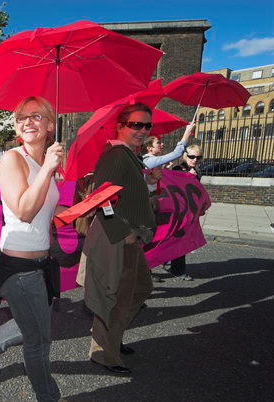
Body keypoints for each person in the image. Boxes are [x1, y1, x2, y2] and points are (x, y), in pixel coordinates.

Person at [0, 96, 64, 402]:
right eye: (21, 117)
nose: (27, 122)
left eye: (36, 116)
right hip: (18, 268)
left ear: (50, 124)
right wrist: (49, 169)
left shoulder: (44, 164)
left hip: (43, 263)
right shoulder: (13, 159)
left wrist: (83, 208)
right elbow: (24, 210)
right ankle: (49, 396)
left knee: (36, 323)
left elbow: (44, 215)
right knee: (38, 339)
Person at [79, 102, 161, 374]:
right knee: (118, 296)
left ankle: (108, 339)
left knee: (139, 289)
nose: (143, 130)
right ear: (121, 126)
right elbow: (100, 199)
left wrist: (149, 183)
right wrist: (121, 232)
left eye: (147, 125)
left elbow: (126, 195)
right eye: (136, 124)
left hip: (130, 236)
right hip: (118, 237)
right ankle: (105, 352)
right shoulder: (116, 155)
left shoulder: (129, 156)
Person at [169, 144, 204, 281]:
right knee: (174, 240)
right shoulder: (178, 169)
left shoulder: (196, 170)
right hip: (177, 211)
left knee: (181, 241)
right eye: (191, 156)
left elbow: (196, 192)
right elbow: (175, 188)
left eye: (198, 157)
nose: (194, 160)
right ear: (185, 156)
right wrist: (189, 176)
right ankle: (177, 270)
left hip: (189, 211)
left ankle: (174, 267)